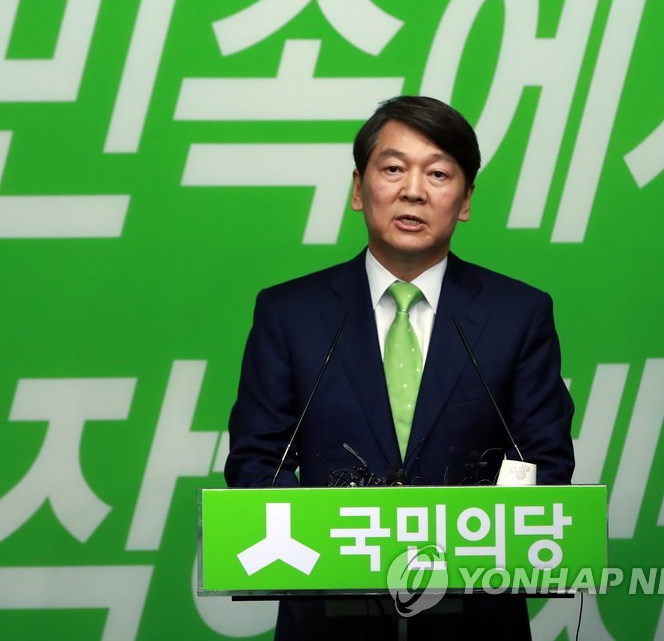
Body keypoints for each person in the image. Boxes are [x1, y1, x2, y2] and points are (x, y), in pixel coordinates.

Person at [224, 95, 576, 639]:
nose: (413, 190)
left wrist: (486, 543)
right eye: (393, 169)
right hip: (330, 618)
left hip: (474, 619)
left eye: (438, 173)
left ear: (465, 200)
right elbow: (256, 463)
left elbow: (542, 460)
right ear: (358, 189)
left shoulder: (518, 314)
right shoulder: (290, 313)